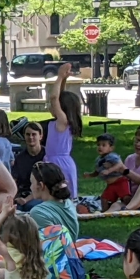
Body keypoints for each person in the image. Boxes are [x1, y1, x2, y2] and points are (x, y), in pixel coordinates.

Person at [44, 63, 82, 199]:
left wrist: (59, 77)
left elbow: (54, 98)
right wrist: (64, 80)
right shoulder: (64, 121)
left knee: (61, 195)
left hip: (59, 164)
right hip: (59, 162)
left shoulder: (62, 121)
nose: (52, 106)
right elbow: (59, 97)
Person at [28, 162, 80, 237]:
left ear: (41, 185)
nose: (30, 187)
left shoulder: (38, 212)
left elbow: (49, 245)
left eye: (31, 183)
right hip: (71, 246)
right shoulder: (68, 202)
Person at [12, 122, 46, 209]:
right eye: (28, 134)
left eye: (34, 134)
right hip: (22, 194)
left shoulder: (47, 156)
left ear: (40, 136)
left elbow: (46, 184)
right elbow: (14, 181)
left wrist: (26, 200)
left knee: (30, 206)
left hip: (41, 194)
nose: (30, 137)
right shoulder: (20, 158)